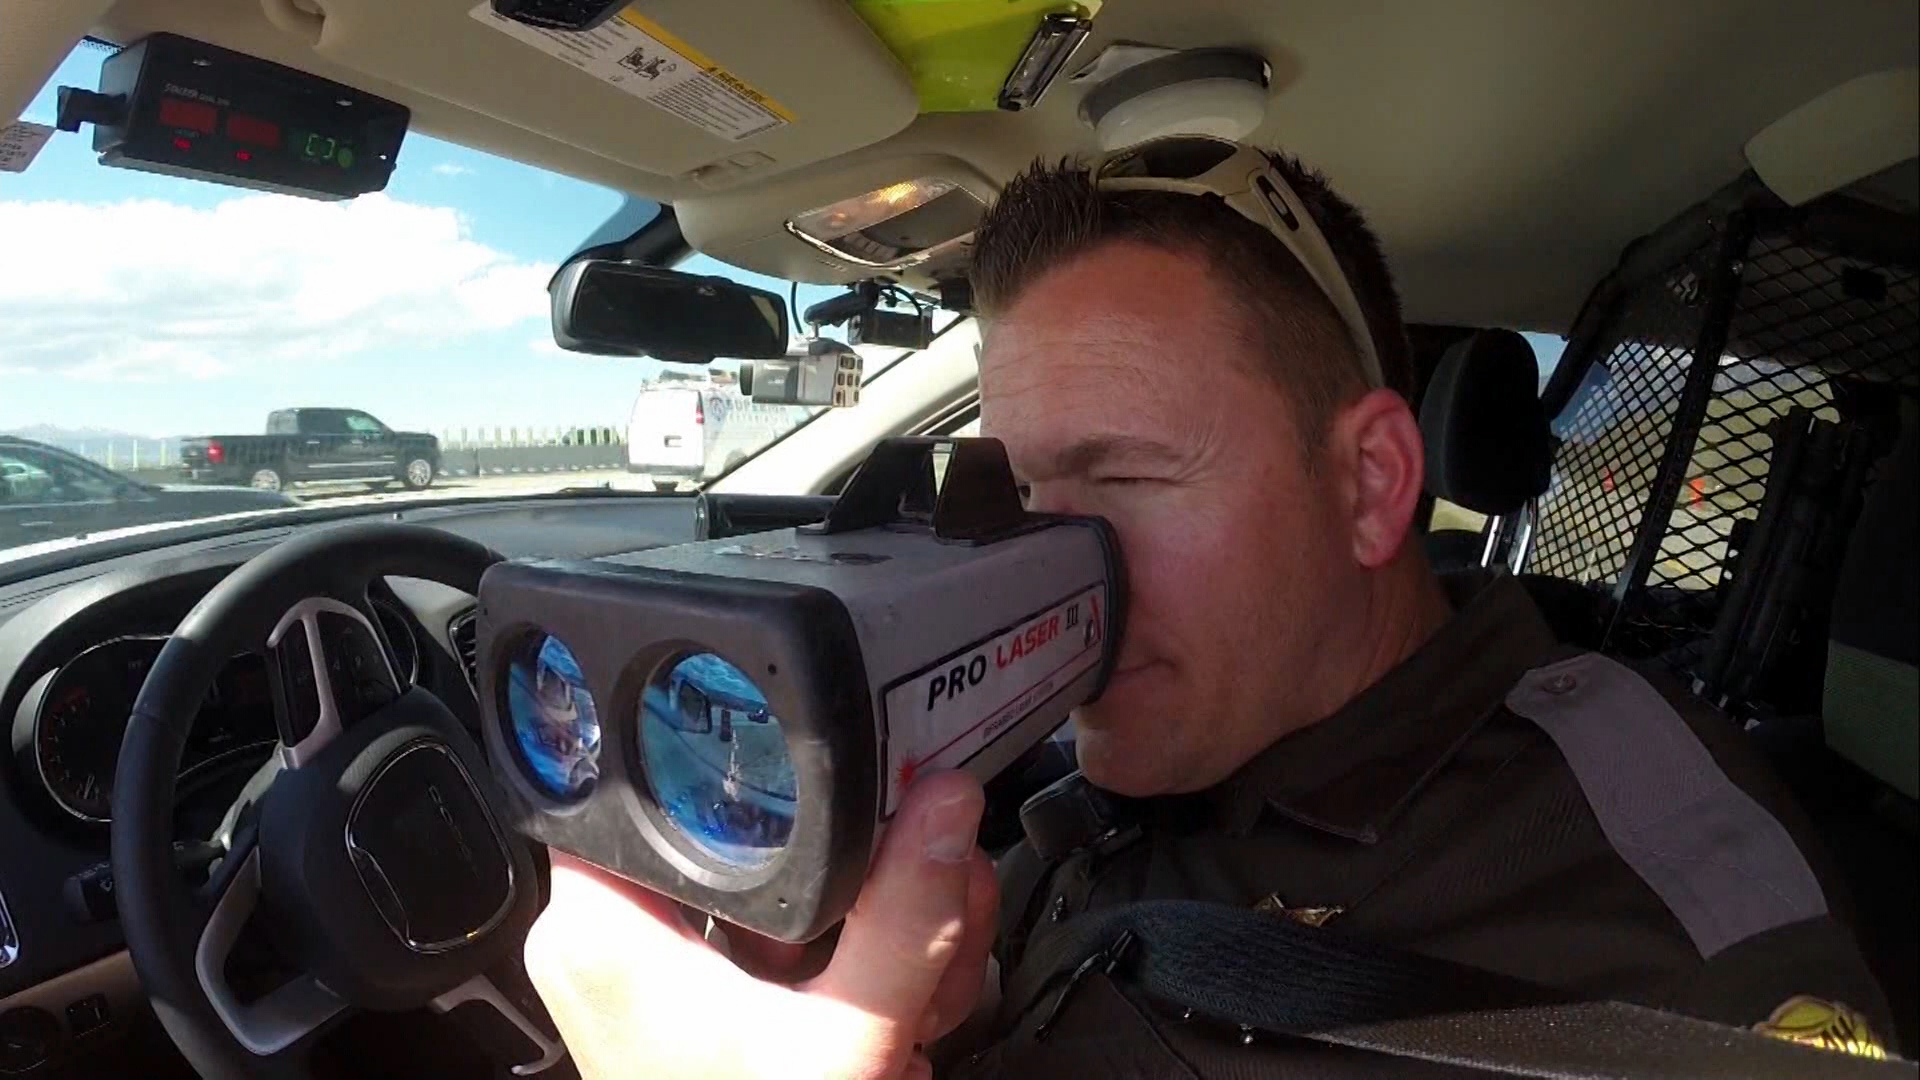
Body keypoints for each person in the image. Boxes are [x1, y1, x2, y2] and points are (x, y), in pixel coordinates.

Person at [519, 137, 1894, 1077]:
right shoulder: (1189, 723)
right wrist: (977, 1001)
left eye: (1122, 473)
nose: (1054, 566)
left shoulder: (1637, 903)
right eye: (1018, 490)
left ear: (1368, 487)